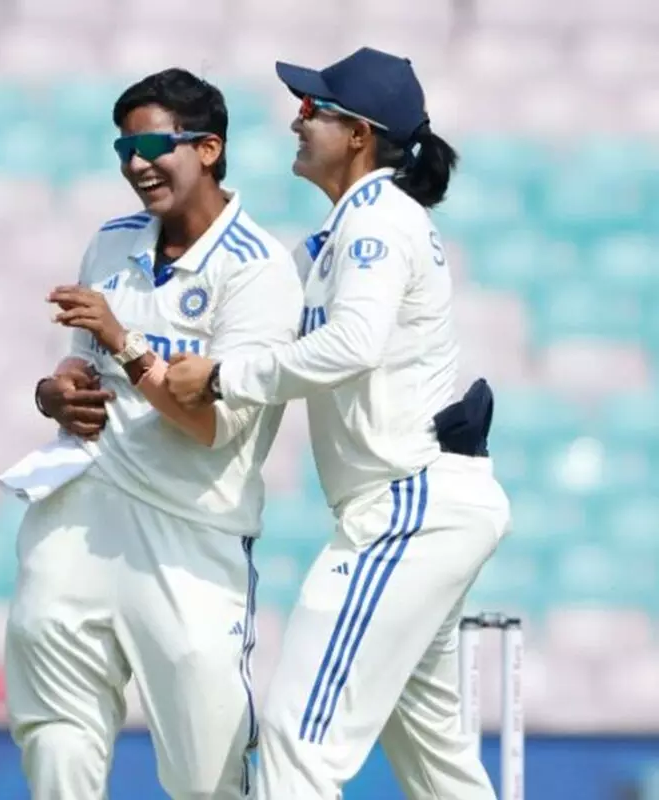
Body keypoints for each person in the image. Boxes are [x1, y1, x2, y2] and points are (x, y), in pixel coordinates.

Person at [165, 47, 511, 799]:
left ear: (359, 134)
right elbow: (256, 332)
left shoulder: (378, 219)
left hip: (406, 507)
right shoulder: (328, 241)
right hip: (411, 506)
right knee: (435, 761)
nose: (297, 120)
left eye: (313, 109)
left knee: (299, 740)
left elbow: (353, 344)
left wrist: (221, 376)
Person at [3, 68, 302, 800]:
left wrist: (125, 338)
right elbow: (81, 363)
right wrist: (55, 395)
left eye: (151, 146)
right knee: (57, 731)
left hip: (189, 534)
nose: (135, 164)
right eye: (123, 149)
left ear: (208, 148)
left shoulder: (259, 270)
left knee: (207, 775)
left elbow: (214, 427)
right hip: (82, 510)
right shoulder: (111, 243)